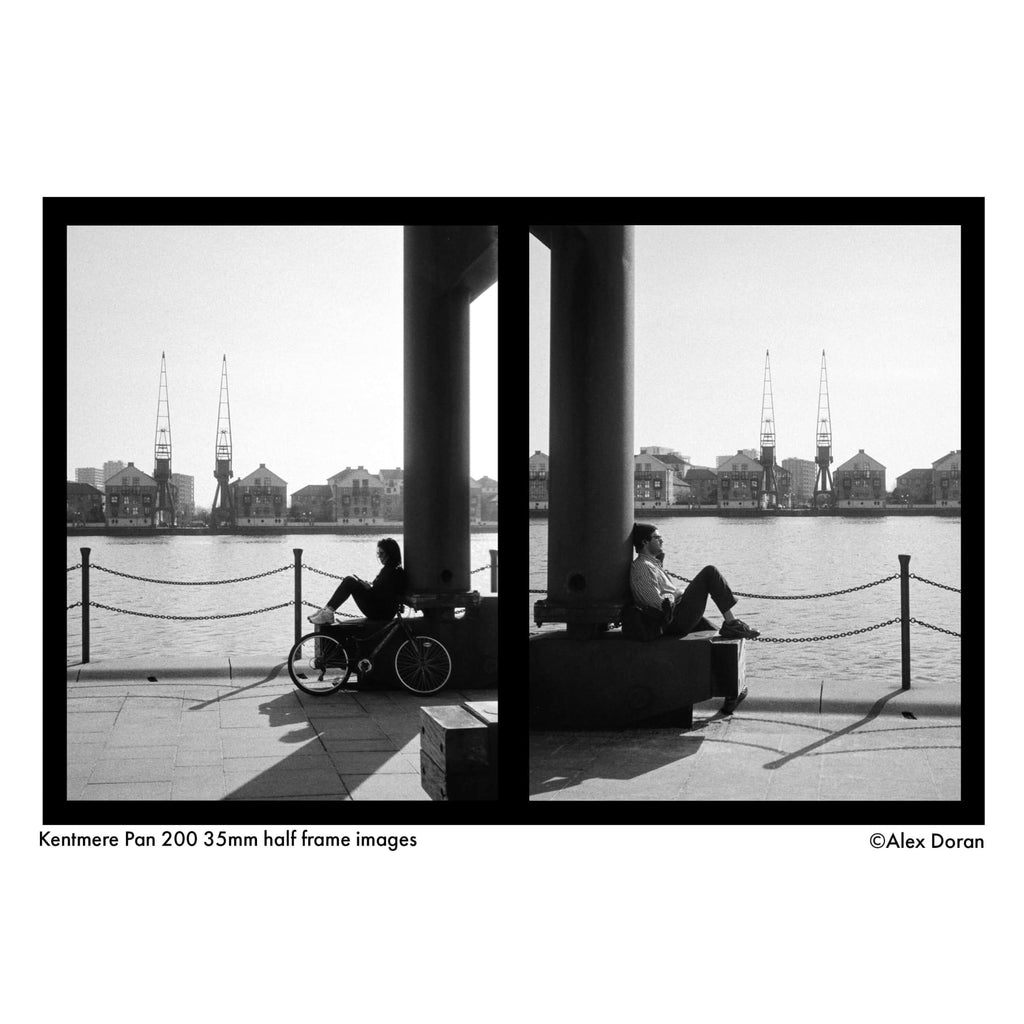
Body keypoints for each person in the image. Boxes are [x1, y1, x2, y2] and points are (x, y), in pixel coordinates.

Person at [629, 522, 758, 713]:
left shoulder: (652, 565)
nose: (662, 540)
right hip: (672, 620)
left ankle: (732, 693)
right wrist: (679, 594)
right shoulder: (641, 567)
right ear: (645, 542)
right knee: (709, 573)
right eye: (657, 537)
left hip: (674, 615)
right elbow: (656, 604)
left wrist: (677, 592)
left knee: (717, 638)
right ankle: (732, 622)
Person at [307, 537, 407, 624]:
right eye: (378, 554)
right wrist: (369, 587)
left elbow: (384, 595)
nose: (379, 557)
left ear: (390, 554)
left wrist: (369, 588)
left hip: (381, 612)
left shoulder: (393, 572)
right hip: (382, 609)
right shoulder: (392, 569)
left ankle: (327, 612)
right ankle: (327, 610)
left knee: (349, 582)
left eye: (381, 554)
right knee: (350, 581)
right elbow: (383, 592)